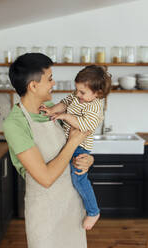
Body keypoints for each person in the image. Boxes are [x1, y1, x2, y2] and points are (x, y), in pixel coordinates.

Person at [3, 53, 94, 248]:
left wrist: (87, 160)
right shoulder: (15, 123)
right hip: (45, 214)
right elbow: (45, 178)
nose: (54, 83)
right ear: (33, 86)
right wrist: (72, 143)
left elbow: (76, 148)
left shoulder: (53, 109)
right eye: (50, 79)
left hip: (71, 205)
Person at [40, 65, 112, 230]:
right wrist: (52, 110)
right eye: (77, 90)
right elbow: (65, 103)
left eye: (82, 92)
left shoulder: (95, 108)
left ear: (98, 93)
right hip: (69, 143)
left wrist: (64, 116)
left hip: (80, 147)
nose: (77, 94)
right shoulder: (77, 96)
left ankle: (93, 212)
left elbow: (84, 125)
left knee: (78, 178)